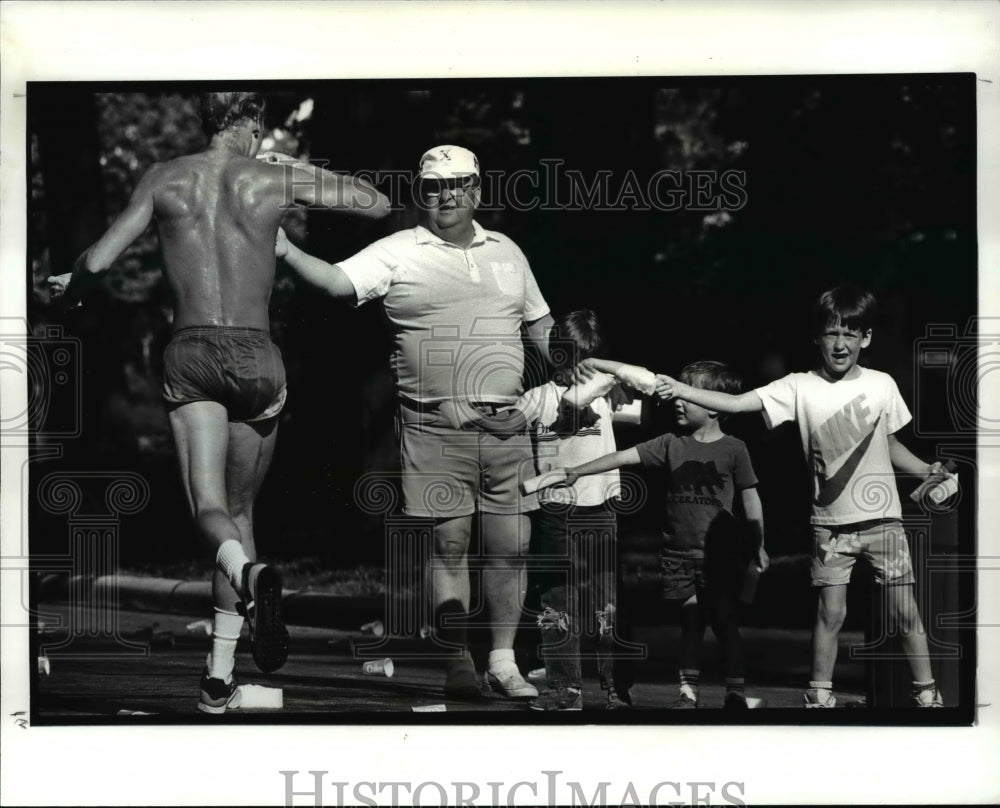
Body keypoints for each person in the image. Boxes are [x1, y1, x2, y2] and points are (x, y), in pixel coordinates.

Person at [48, 92, 390, 713]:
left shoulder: (164, 177)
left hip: (193, 352)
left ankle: (247, 578)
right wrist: (309, 177)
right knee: (242, 509)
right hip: (259, 355)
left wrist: (73, 283)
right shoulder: (274, 177)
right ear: (253, 124)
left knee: (211, 509)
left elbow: (98, 258)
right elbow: (375, 203)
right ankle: (218, 677)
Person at [276, 145, 553, 700]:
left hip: (508, 427)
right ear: (421, 193)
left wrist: (566, 382)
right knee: (449, 546)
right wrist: (284, 249)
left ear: (476, 190)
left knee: (511, 548)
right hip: (435, 426)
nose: (444, 195)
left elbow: (541, 326)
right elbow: (336, 282)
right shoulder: (400, 250)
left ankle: (502, 661)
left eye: (455, 185)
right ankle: (457, 662)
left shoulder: (508, 252)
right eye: (432, 187)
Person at [656, 286, 948, 708]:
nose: (840, 343)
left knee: (906, 614)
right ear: (817, 337)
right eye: (832, 334)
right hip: (831, 525)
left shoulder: (883, 385)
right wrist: (682, 390)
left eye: (850, 334)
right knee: (831, 615)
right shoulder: (797, 386)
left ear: (866, 338)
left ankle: (928, 696)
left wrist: (926, 470)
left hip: (885, 521)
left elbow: (890, 444)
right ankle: (820, 697)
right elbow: (736, 404)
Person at [472, 310, 654, 711]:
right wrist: (477, 414)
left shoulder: (608, 394)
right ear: (556, 358)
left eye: (588, 359)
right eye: (573, 360)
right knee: (559, 601)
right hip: (557, 510)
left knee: (606, 602)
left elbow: (647, 381)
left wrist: (604, 370)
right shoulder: (540, 397)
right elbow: (505, 425)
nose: (579, 370)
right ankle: (565, 689)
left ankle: (615, 689)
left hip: (602, 506)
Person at [564, 360, 768, 709]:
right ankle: (688, 693)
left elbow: (751, 497)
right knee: (690, 624)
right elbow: (621, 457)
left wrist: (758, 543)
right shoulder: (670, 443)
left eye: (688, 393)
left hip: (720, 558)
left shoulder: (734, 448)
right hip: (677, 556)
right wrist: (576, 471)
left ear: (716, 406)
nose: (677, 399)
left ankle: (734, 691)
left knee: (725, 623)